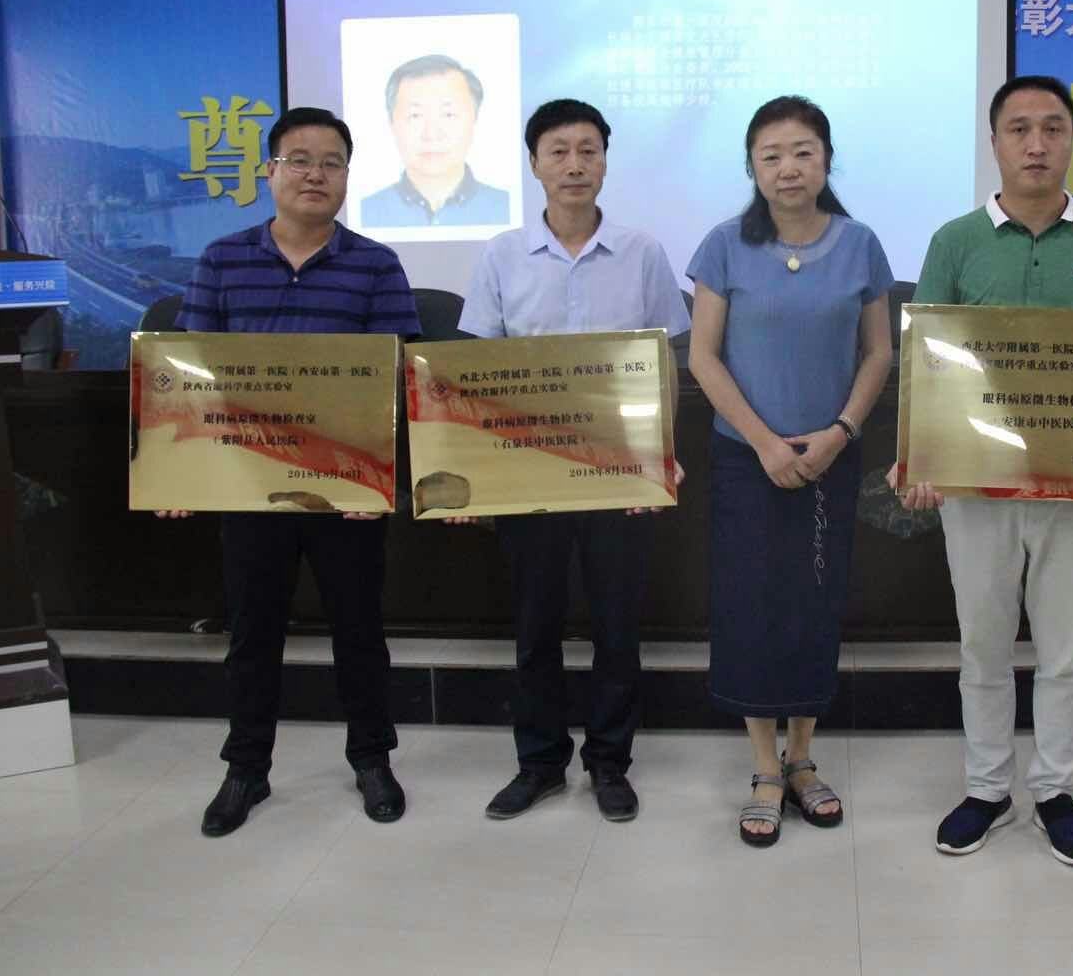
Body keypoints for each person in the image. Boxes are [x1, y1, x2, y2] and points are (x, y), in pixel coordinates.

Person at [890, 75, 1073, 867]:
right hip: (976, 486)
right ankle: (988, 787)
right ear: (995, 141)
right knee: (984, 645)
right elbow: (926, 359)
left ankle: (1056, 789)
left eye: (1053, 128)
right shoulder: (955, 241)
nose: (1037, 144)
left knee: (1066, 651)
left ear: (1072, 140)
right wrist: (920, 458)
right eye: (1019, 129)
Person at [166, 106, 422, 836]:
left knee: (359, 630)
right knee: (253, 632)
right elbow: (190, 377)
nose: (316, 174)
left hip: (347, 488)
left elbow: (399, 380)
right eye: (300, 160)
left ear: (347, 176)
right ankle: (246, 768)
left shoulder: (375, 264)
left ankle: (371, 758)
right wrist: (181, 477)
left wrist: (378, 479)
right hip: (251, 485)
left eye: (332, 162)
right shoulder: (222, 260)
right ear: (269, 171)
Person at [452, 99, 691, 823]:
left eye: (589, 150)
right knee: (536, 627)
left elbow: (665, 364)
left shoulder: (643, 253)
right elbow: (476, 377)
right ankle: (540, 763)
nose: (575, 164)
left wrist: (662, 457)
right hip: (530, 478)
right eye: (558, 151)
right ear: (534, 164)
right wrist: (478, 474)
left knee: (617, 627)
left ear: (606, 162)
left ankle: (610, 763)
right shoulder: (501, 254)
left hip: (619, 475)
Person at [686, 95, 893, 847]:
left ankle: (803, 759)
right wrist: (765, 443)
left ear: (827, 160)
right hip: (747, 460)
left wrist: (840, 433)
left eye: (803, 151)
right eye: (770, 155)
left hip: (830, 457)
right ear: (752, 168)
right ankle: (764, 769)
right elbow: (703, 357)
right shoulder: (723, 246)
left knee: (814, 602)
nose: (788, 168)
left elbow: (879, 352)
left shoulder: (860, 245)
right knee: (752, 605)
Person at [362, 55, 511, 227]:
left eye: (448, 114)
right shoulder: (366, 212)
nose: (432, 134)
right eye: (415, 116)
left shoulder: (505, 207)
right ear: (392, 124)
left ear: (474, 120)